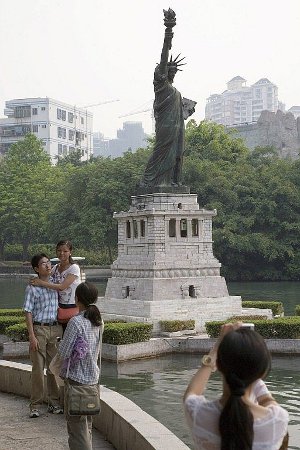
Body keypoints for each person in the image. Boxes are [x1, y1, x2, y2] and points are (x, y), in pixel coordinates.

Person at [183, 322, 289, 450]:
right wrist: (251, 369)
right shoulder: (277, 420)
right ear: (263, 371)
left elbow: (191, 393)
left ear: (219, 366)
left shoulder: (198, 413)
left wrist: (216, 349)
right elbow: (268, 401)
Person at [140, 8, 196, 189]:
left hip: (178, 127)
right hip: (165, 127)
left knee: (177, 153)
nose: (171, 69)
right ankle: (150, 181)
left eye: (174, 68)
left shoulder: (175, 91)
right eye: (168, 68)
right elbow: (164, 55)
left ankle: (173, 181)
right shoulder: (161, 84)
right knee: (161, 151)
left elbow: (180, 110)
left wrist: (187, 110)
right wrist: (168, 32)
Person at [58, 281, 103, 450]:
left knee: (77, 428)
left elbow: (63, 352)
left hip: (77, 380)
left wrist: (59, 343)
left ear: (76, 299)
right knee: (86, 424)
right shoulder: (98, 320)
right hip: (93, 380)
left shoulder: (76, 322)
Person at [23, 253, 63, 418]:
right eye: (43, 264)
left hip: (55, 330)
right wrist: (31, 335)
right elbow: (28, 312)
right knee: (38, 369)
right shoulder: (32, 287)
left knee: (53, 368)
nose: (47, 265)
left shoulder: (55, 283)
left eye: (48, 263)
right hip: (39, 330)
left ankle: (54, 403)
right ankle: (35, 405)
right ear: (36, 269)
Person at [30, 240, 81, 330]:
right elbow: (45, 276)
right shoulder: (56, 268)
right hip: (59, 308)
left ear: (70, 252)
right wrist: (33, 280)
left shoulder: (74, 268)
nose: (62, 253)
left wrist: (40, 283)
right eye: (59, 250)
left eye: (65, 251)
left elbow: (62, 287)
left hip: (73, 307)